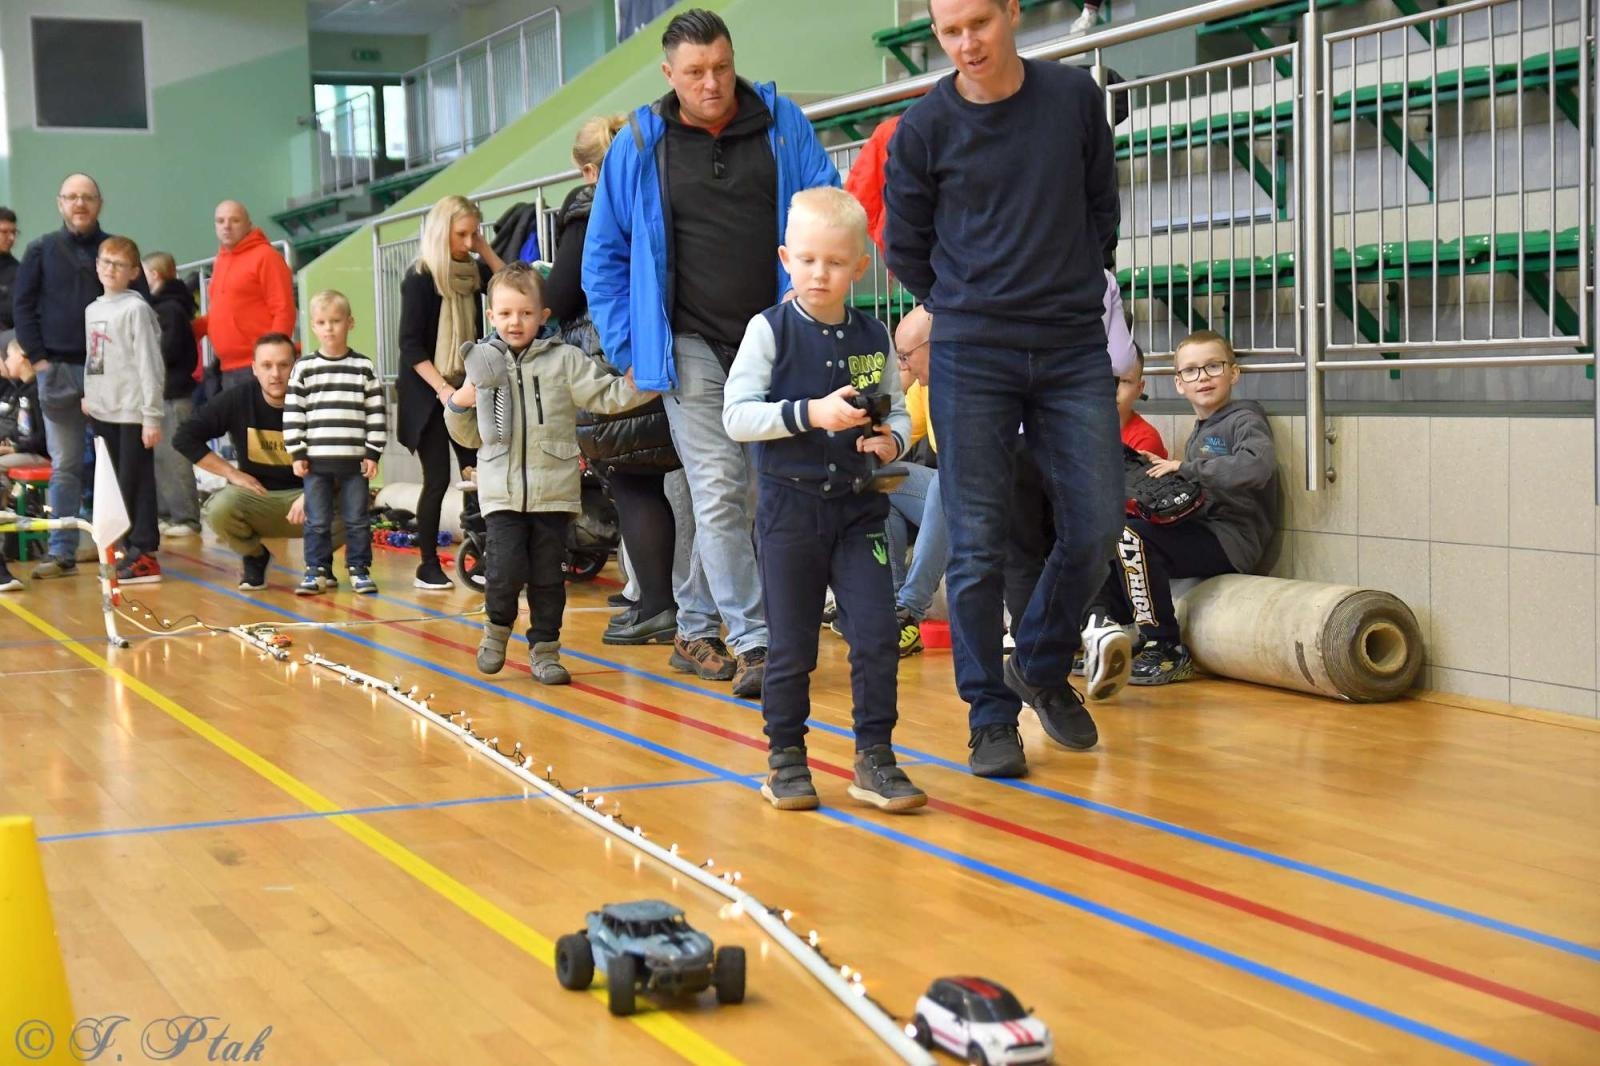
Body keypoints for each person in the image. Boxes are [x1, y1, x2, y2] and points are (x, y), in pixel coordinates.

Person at [885, 0, 1124, 777]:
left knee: (1093, 525)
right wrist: (967, 302)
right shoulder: (923, 129)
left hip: (1069, 344)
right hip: (972, 351)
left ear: (1013, 11)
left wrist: (1068, 282)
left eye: (979, 23)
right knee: (979, 544)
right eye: (949, 32)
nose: (965, 44)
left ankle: (1042, 665)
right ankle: (989, 716)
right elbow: (909, 248)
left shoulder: (1073, 100)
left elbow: (1101, 208)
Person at [585, 7, 840, 698]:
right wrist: (628, 344)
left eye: (722, 67)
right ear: (669, 75)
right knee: (720, 488)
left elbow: (828, 202)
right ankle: (758, 644)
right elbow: (603, 255)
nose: (712, 83)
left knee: (751, 493)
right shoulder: (641, 142)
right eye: (695, 72)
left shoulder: (782, 125)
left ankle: (695, 625)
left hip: (769, 340)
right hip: (687, 343)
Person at [724, 187, 926, 813]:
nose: (820, 273)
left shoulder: (872, 335)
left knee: (875, 635)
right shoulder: (769, 330)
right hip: (790, 511)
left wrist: (893, 440)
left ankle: (875, 758)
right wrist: (811, 413)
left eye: (835, 262)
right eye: (808, 260)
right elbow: (736, 416)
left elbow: (898, 412)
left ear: (860, 267)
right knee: (792, 644)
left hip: (860, 509)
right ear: (786, 258)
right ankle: (785, 756)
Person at [445, 264, 652, 685]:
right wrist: (461, 401)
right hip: (501, 492)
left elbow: (606, 395)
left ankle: (545, 649)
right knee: (502, 571)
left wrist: (640, 385)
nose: (514, 322)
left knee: (547, 579)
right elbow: (467, 435)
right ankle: (496, 630)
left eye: (524, 313)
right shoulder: (482, 363)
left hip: (553, 491)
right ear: (491, 316)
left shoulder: (565, 360)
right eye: (505, 314)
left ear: (543, 315)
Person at [552, 115, 691, 646]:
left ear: (590, 171)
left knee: (634, 484)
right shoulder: (658, 190)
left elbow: (565, 292)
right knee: (653, 481)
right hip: (661, 349)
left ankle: (656, 604)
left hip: (613, 359)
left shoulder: (588, 208)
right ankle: (657, 599)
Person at [1086, 331, 1279, 685]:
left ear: (1233, 373)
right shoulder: (1203, 428)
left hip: (1233, 539)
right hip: (1205, 529)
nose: (1202, 377)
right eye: (1190, 371)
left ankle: (1167, 649)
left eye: (1213, 367)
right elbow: (1202, 486)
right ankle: (1122, 633)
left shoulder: (1244, 418)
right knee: (1113, 528)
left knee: (1133, 536)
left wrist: (1184, 468)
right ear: (1178, 383)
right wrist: (1157, 471)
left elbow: (1257, 467)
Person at [12, 173, 148, 579]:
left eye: (87, 197)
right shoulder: (40, 251)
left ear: (99, 204)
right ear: (60, 204)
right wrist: (39, 362)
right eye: (71, 197)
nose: (79, 204)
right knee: (66, 464)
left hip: (111, 375)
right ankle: (62, 551)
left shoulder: (114, 252)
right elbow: (23, 308)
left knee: (119, 463)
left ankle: (128, 550)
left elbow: (139, 303)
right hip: (56, 372)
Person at [173, 334, 339, 592]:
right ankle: (254, 556)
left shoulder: (318, 401)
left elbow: (343, 453)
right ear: (254, 368)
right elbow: (184, 436)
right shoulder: (238, 399)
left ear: (296, 367)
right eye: (267, 365)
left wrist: (313, 491)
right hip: (259, 499)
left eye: (284, 365)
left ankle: (319, 560)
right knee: (219, 509)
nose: (276, 374)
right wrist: (232, 473)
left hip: (310, 499)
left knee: (357, 506)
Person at [395, 195, 503, 590]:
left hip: (466, 384)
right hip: (428, 388)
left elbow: (509, 285)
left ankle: (487, 556)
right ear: (443, 232)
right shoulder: (421, 276)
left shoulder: (473, 271)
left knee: (479, 472)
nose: (469, 240)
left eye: (474, 232)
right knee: (437, 478)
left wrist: (485, 247)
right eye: (462, 233)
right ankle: (427, 564)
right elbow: (410, 347)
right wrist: (443, 390)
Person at [283, 291, 383, 596]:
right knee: (316, 520)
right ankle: (316, 569)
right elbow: (293, 412)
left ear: (349, 323)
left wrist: (373, 452)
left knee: (357, 519)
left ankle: (358, 569)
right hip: (316, 461)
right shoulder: (304, 368)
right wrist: (297, 452)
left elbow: (376, 412)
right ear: (313, 327)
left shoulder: (363, 367)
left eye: (336, 321)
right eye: (322, 322)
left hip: (354, 462)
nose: (329, 328)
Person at [81, 236, 165, 584]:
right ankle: (127, 548)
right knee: (113, 484)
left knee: (137, 483)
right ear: (97, 265)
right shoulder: (93, 309)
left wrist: (151, 415)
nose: (110, 269)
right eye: (105, 262)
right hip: (104, 411)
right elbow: (94, 359)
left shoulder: (136, 309)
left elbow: (149, 364)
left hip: (132, 412)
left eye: (119, 265)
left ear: (133, 272)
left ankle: (144, 553)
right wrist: (90, 395)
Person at [886, 305, 949, 658]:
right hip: (953, 497)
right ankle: (894, 610)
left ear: (934, 345)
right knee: (881, 480)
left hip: (994, 493)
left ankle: (911, 606)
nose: (903, 364)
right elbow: (897, 439)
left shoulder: (969, 378)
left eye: (907, 355)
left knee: (947, 478)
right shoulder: (922, 386)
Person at [195, 201, 295, 392]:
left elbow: (283, 310)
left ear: (248, 224)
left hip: (258, 367)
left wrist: (272, 361)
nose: (226, 225)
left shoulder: (266, 257)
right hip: (227, 368)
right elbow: (220, 314)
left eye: (235, 220)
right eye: (220, 221)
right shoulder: (221, 260)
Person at [142, 251, 202, 537]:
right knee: (161, 458)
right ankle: (168, 513)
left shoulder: (170, 310)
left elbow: (169, 349)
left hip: (174, 392)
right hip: (161, 392)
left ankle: (186, 517)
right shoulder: (163, 308)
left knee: (176, 457)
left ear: (154, 275)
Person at [0, 207, 19, 331]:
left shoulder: (18, 271)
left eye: (14, 232)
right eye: (5, 232)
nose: (11, 238)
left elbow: (15, 312)